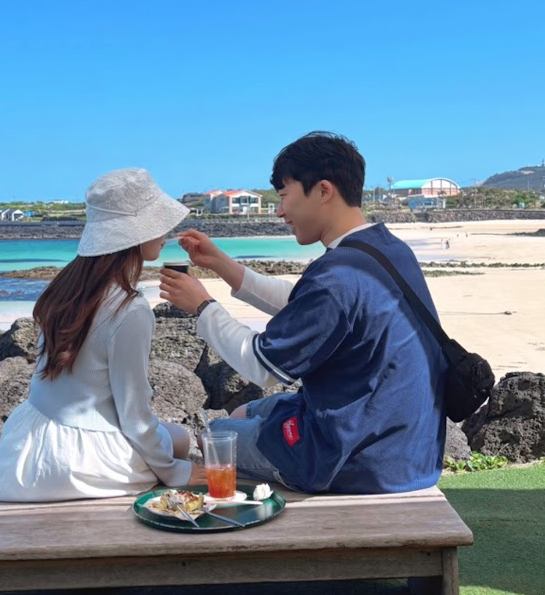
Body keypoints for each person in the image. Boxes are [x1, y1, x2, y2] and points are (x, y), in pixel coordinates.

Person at [160, 132, 448, 495]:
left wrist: (202, 307)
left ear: (323, 191)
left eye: (284, 196)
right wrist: (223, 265)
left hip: (359, 459)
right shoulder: (385, 249)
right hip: (406, 445)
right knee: (243, 414)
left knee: (216, 436)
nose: (280, 211)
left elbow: (261, 366)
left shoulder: (337, 276)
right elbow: (307, 306)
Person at [0, 168, 203, 502]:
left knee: (173, 438)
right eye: (158, 223)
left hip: (22, 458)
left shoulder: (64, 289)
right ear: (135, 235)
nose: (166, 233)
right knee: (180, 439)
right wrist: (174, 472)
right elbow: (134, 414)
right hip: (78, 464)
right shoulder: (130, 308)